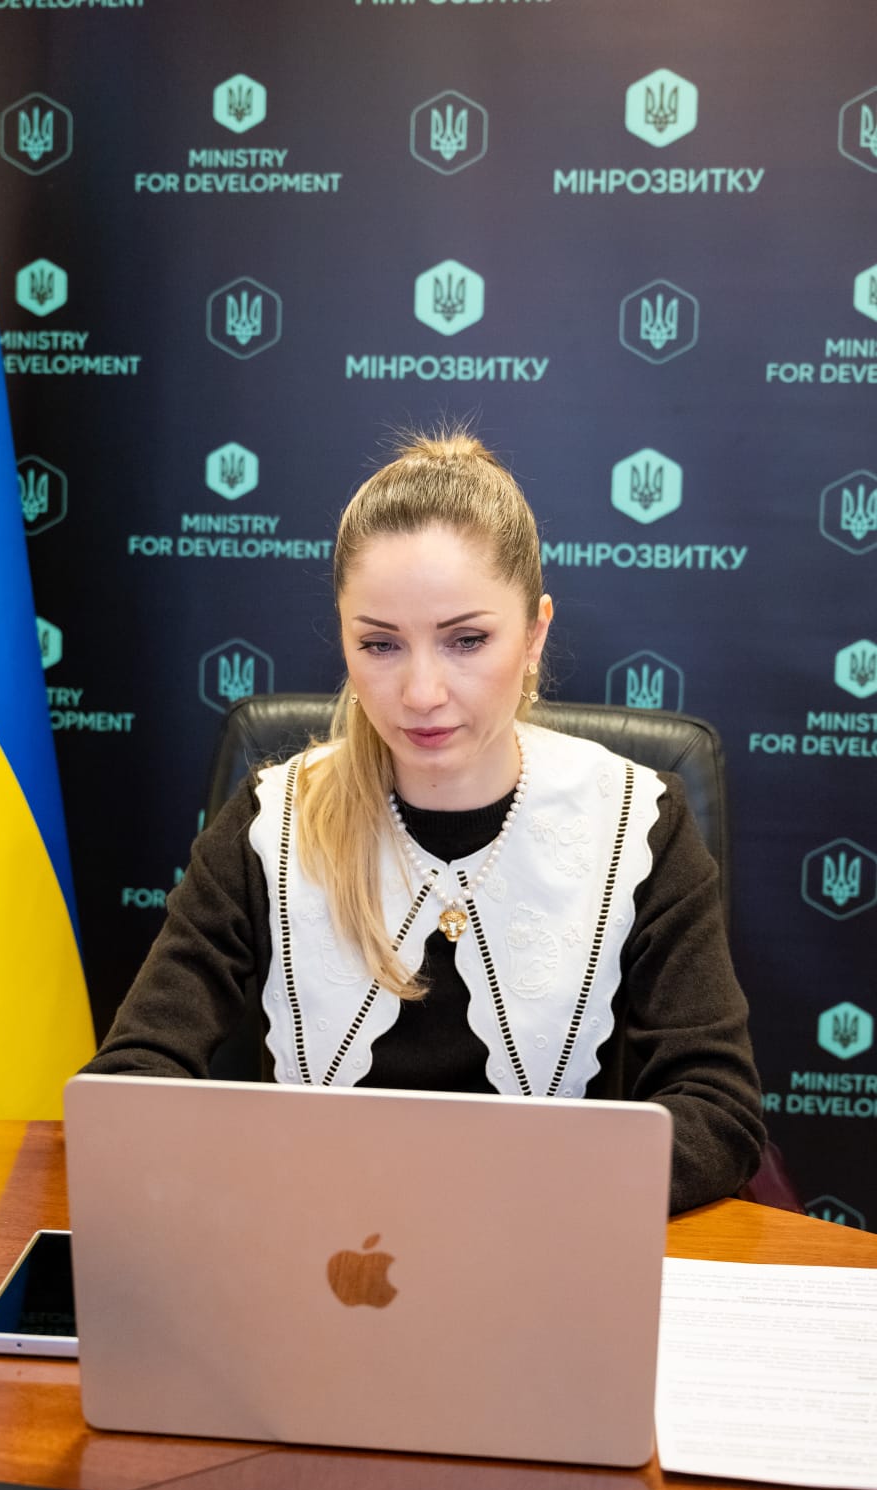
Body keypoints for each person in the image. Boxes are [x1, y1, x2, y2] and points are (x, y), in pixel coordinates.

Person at [85, 431, 765, 1214]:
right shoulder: (272, 821)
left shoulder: (638, 822)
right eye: (380, 644)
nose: (421, 693)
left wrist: (490, 1199)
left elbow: (718, 1111)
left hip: (542, 1244)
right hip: (323, 1252)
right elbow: (130, 1085)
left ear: (535, 633)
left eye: (466, 640)